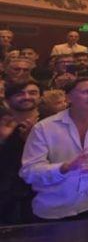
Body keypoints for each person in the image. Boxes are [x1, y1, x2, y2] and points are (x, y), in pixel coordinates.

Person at [20, 77, 88, 220]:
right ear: (69, 98)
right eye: (86, 92)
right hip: (54, 206)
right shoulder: (44, 127)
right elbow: (29, 171)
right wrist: (64, 168)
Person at [0, 81, 41, 224]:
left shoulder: (51, 123)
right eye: (20, 94)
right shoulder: (3, 124)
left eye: (32, 93)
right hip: (6, 193)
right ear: (7, 100)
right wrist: (2, 139)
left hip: (40, 191)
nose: (27, 97)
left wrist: (32, 142)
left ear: (40, 97)